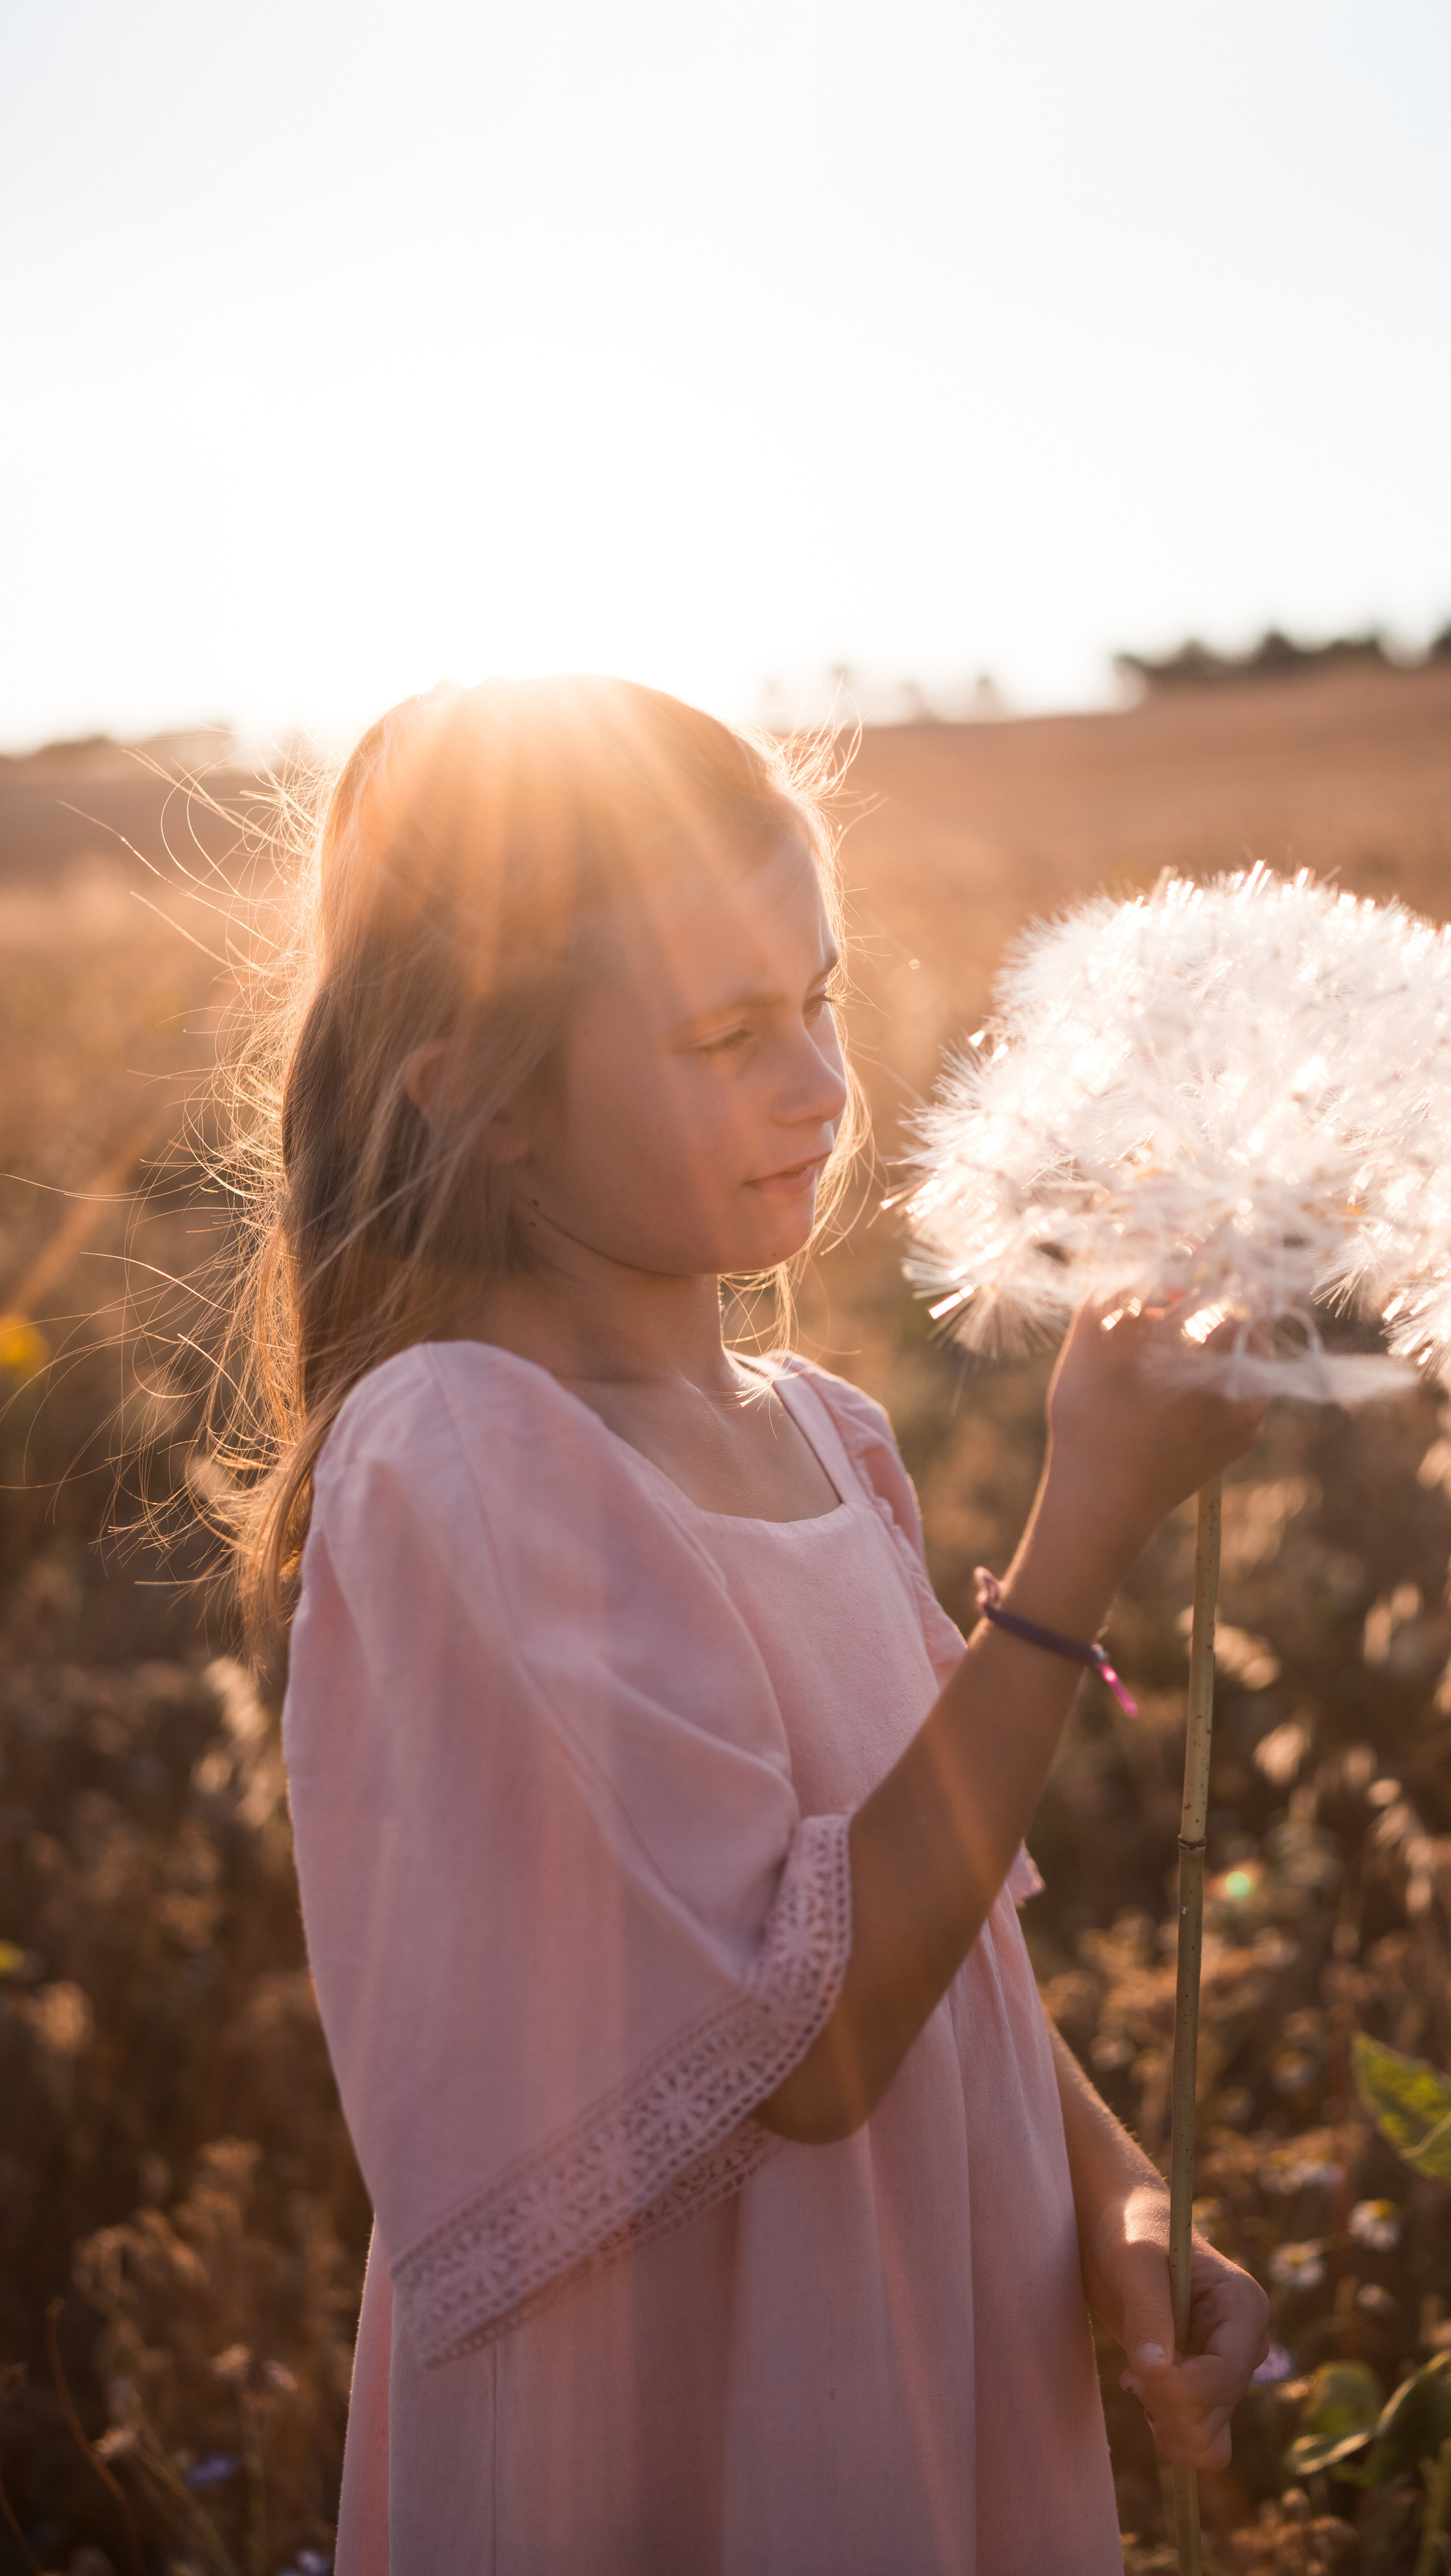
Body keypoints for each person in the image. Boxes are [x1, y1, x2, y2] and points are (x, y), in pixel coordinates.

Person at [237, 674, 1269, 2573]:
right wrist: (1084, 1531)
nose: (817, 1085)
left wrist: (1123, 2198)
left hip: (938, 2337)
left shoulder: (826, 1435)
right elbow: (800, 2040)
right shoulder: (462, 1464)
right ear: (472, 1086)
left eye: (819, 997)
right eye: (726, 1032)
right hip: (700, 2427)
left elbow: (937, 1952)